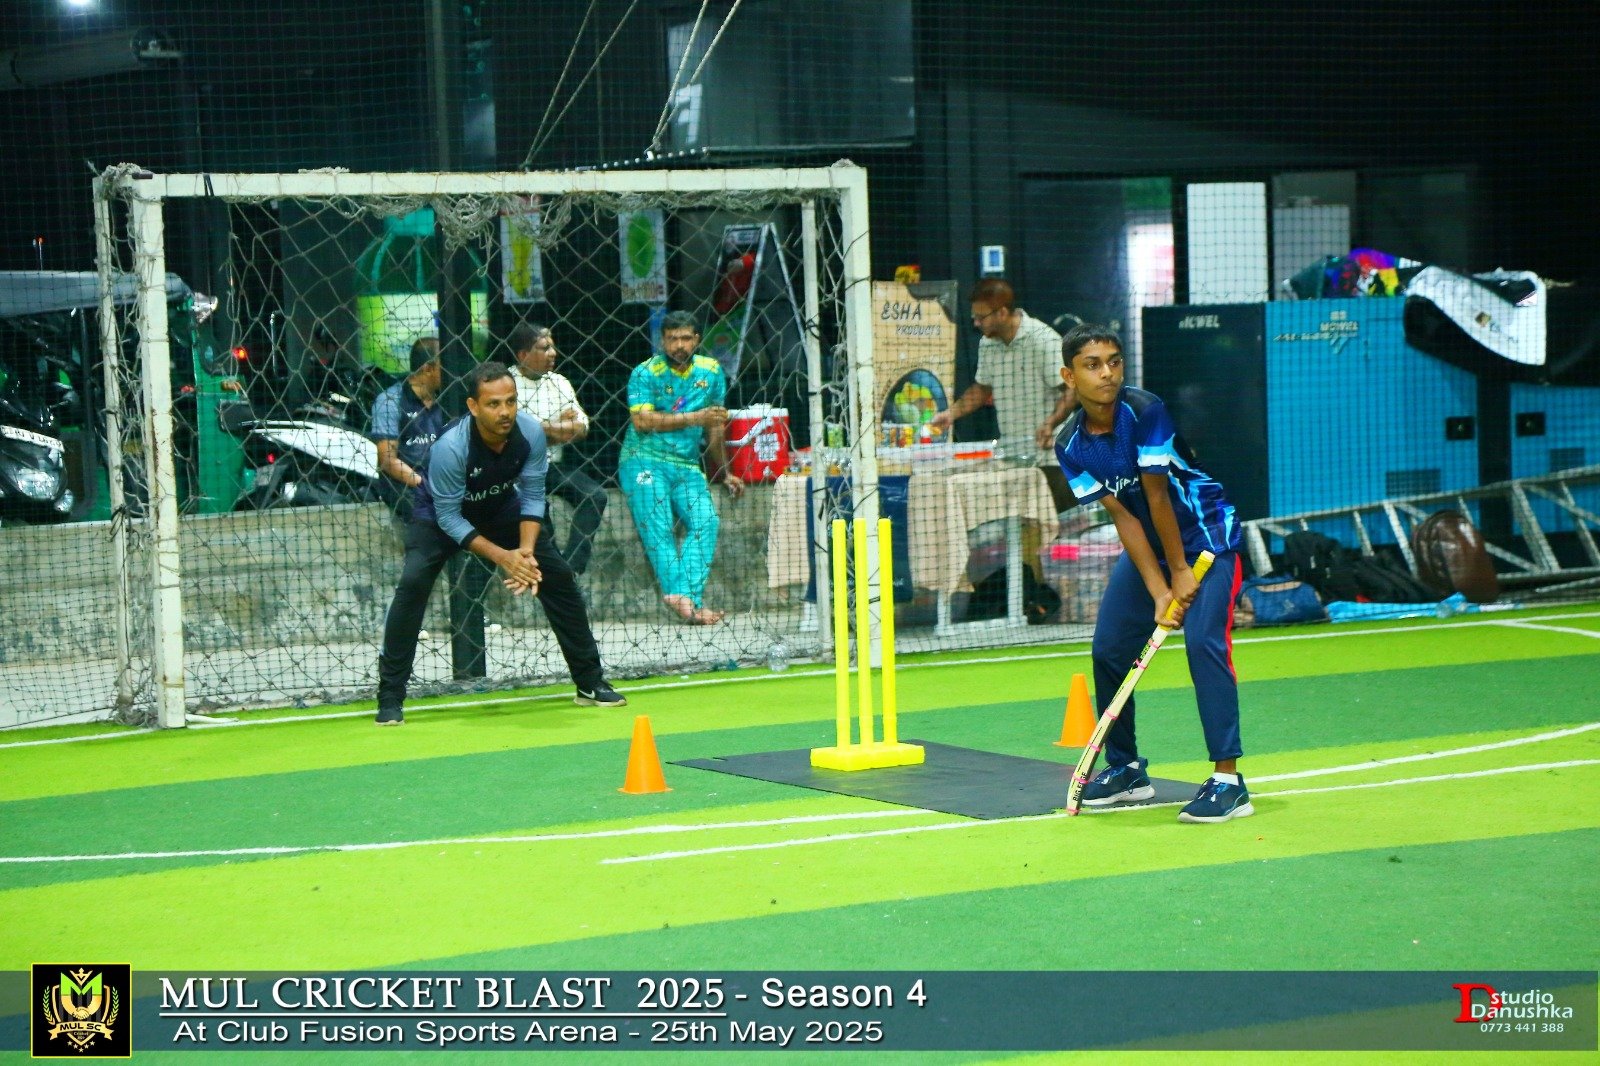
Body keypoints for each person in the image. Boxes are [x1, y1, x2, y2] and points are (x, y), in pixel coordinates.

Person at [1053, 324, 1250, 823]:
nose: (1107, 373)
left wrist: (1180, 572)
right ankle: (1126, 770)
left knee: (1203, 643)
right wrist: (1159, 589)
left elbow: (1157, 495)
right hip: (1154, 548)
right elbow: (1124, 516)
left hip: (1206, 538)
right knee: (1109, 649)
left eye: (1114, 361)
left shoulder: (1144, 411)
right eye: (1093, 365)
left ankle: (1229, 781)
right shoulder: (1069, 444)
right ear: (1069, 376)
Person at [374, 361, 625, 725]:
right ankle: (390, 697)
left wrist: (525, 553)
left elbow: (534, 495)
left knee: (557, 576)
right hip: (439, 517)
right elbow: (449, 518)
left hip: (500, 506)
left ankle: (589, 682)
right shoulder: (451, 448)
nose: (505, 411)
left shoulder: (530, 432)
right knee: (413, 584)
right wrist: (504, 559)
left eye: (510, 401)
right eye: (493, 404)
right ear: (473, 406)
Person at [618, 310, 744, 625]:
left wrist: (724, 472)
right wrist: (695, 418)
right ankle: (689, 602)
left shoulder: (711, 371)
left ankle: (682, 595)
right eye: (672, 338)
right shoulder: (645, 372)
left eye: (685, 338)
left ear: (697, 339)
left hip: (686, 464)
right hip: (643, 459)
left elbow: (714, 427)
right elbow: (642, 421)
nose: (679, 345)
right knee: (659, 527)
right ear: (662, 341)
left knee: (707, 521)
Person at [930, 278, 1075, 474]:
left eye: (981, 317)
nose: (976, 322)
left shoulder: (1043, 340)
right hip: (1012, 455)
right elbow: (982, 389)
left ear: (1002, 313)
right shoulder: (987, 344)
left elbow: (1072, 390)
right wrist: (950, 414)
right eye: (974, 316)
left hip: (1052, 456)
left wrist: (1050, 424)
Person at [509, 323, 607, 575]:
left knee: (594, 496)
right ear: (523, 355)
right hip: (518, 468)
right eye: (544, 348)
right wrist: (559, 428)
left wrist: (540, 429)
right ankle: (554, 573)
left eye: (552, 347)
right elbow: (515, 438)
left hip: (552, 464)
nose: (553, 353)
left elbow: (582, 428)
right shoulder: (506, 384)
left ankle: (570, 569)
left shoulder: (558, 382)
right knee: (539, 514)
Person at [369, 336, 444, 520]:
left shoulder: (448, 397)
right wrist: (426, 486)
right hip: (408, 489)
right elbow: (388, 461)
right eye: (444, 365)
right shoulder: (390, 401)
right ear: (428, 369)